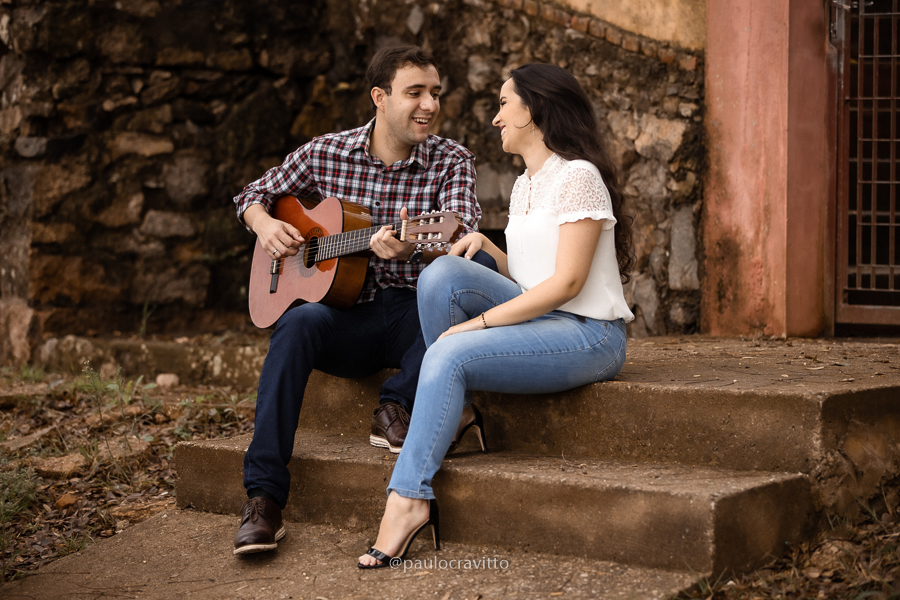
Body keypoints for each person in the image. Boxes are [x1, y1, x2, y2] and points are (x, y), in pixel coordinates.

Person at [357, 62, 636, 568]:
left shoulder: (578, 176)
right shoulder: (527, 182)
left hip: (590, 334)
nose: (496, 118)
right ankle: (459, 411)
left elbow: (568, 284)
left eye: (505, 104)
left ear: (535, 109)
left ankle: (408, 498)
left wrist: (478, 325)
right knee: (441, 273)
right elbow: (532, 279)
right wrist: (487, 248)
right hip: (547, 318)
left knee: (448, 353)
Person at [231, 45, 493, 555]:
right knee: (296, 325)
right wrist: (264, 224)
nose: (429, 105)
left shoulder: (451, 160)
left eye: (435, 93)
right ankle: (263, 499)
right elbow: (251, 196)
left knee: (471, 274)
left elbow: (461, 235)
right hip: (347, 319)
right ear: (379, 97)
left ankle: (395, 403)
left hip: (418, 320)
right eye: (414, 92)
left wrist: (416, 248)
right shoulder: (324, 153)